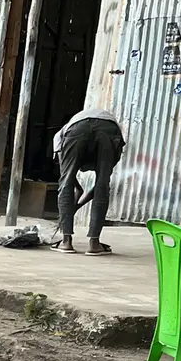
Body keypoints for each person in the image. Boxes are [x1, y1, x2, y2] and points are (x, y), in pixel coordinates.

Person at [54, 107, 126, 255]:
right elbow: (100, 186)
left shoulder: (60, 136)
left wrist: (75, 205)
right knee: (103, 185)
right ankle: (94, 244)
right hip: (109, 128)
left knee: (65, 183)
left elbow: (65, 180)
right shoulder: (63, 134)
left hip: (78, 129)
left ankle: (66, 242)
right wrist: (77, 197)